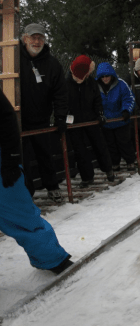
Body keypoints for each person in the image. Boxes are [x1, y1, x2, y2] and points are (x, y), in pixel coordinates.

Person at [0, 90, 73, 274]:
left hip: (1, 165)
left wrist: (11, 160)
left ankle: (52, 259)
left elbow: (7, 118)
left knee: (20, 215)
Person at [20, 23, 67, 202]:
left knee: (45, 155)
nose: (37, 41)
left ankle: (52, 186)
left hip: (41, 119)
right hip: (18, 120)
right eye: (33, 37)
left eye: (40, 37)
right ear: (25, 38)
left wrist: (60, 116)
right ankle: (26, 193)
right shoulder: (13, 59)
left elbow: (60, 93)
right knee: (21, 159)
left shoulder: (52, 64)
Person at [66, 55, 115, 188]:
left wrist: (100, 114)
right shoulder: (66, 84)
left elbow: (97, 100)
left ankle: (108, 169)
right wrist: (63, 118)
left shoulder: (91, 83)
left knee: (100, 145)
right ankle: (87, 177)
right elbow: (62, 102)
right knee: (79, 150)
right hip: (74, 122)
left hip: (91, 119)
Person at [96, 62, 136, 171]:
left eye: (107, 76)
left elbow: (129, 98)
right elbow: (94, 102)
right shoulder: (95, 87)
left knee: (124, 142)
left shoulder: (121, 84)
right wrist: (98, 115)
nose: (105, 79)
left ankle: (130, 161)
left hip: (121, 120)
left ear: (111, 75)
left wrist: (126, 110)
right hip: (106, 122)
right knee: (110, 145)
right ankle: (115, 163)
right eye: (102, 76)